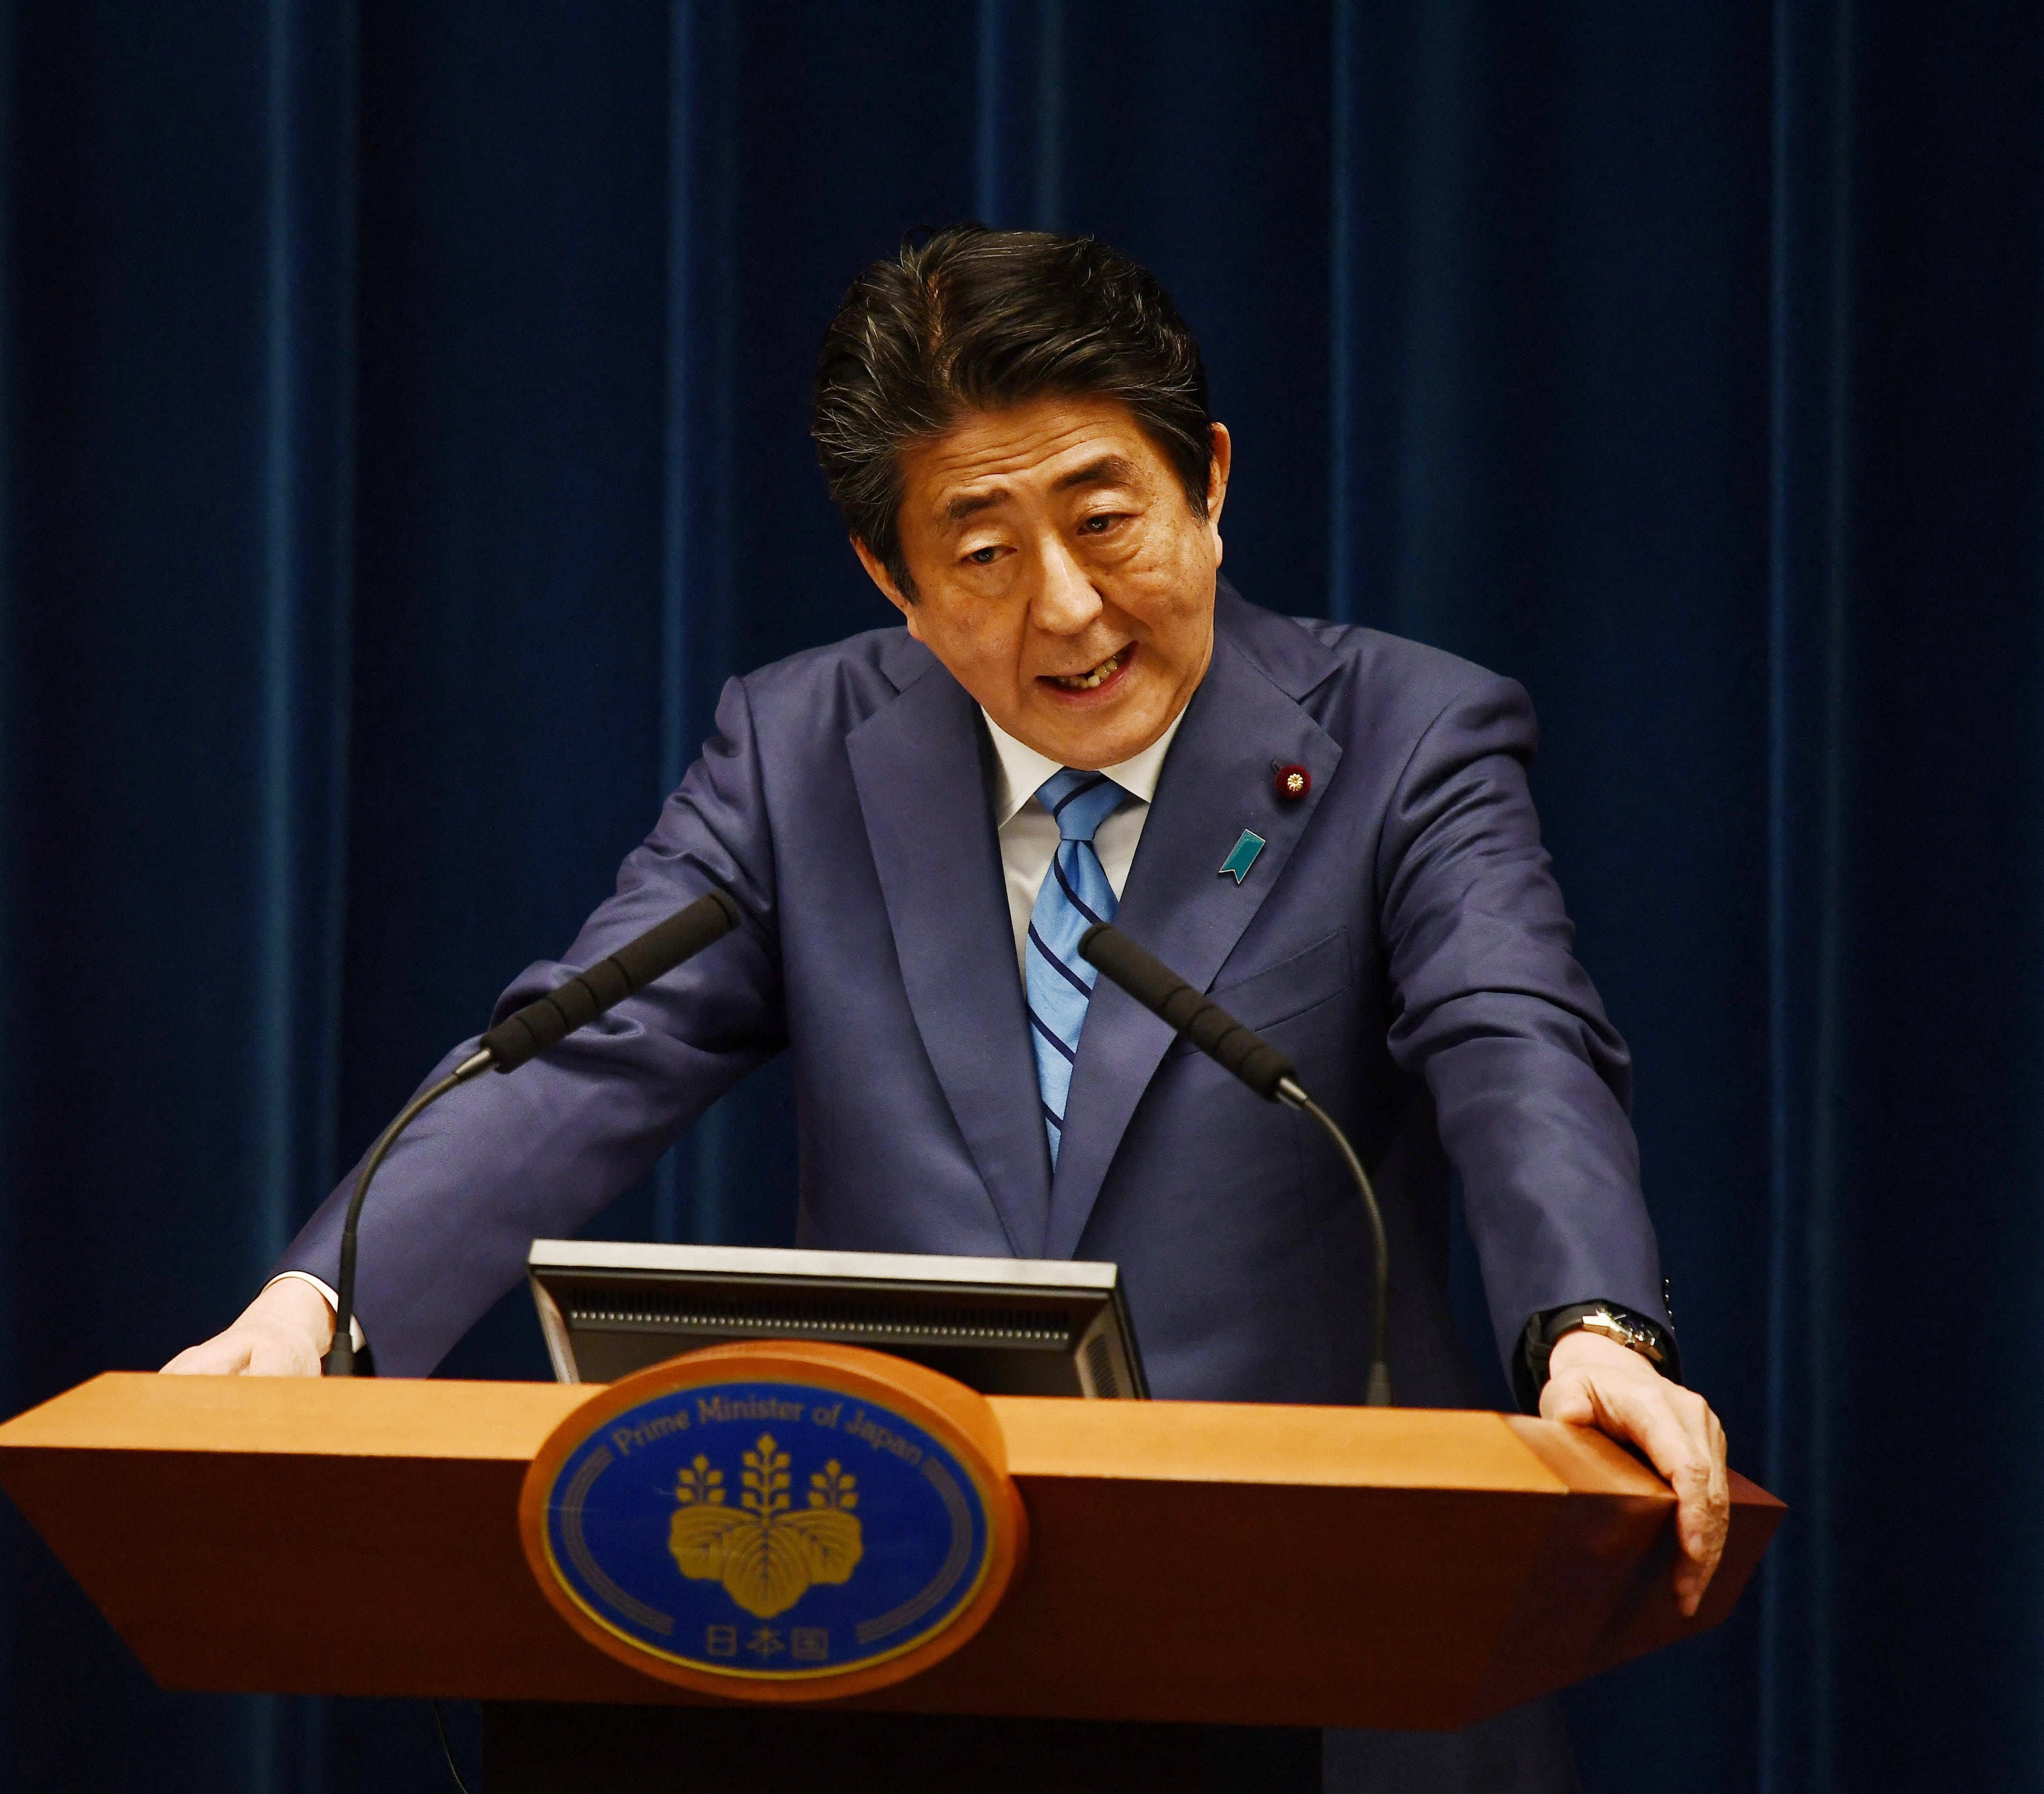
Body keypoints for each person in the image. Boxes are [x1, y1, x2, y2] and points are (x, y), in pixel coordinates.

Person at [166, 227, 1729, 1792]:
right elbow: (584, 1043)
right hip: (895, 1650)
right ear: (889, 576)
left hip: (1309, 1657)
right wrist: (320, 1311)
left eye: (1107, 519)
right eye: (983, 553)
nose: (1066, 611)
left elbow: (1512, 1030)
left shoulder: (1406, 738)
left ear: (1212, 487)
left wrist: (1591, 1323)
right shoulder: (801, 756)